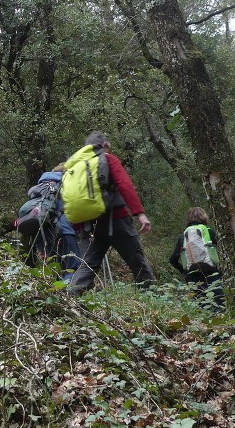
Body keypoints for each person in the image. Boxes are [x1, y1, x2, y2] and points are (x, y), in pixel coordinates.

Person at [66, 131, 155, 296]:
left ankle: (71, 297)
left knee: (87, 264)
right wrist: (140, 213)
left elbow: (71, 199)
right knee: (136, 260)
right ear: (104, 145)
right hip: (116, 218)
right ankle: (154, 298)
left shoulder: (74, 166)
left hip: (88, 225)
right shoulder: (107, 159)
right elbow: (124, 184)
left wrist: (78, 227)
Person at [25, 164, 83, 280]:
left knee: (55, 270)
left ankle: (59, 295)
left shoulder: (40, 187)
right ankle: (70, 295)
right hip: (64, 231)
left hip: (43, 235)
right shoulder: (65, 184)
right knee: (73, 267)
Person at [170, 207, 224, 310]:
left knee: (202, 309)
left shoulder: (183, 236)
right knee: (219, 306)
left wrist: (184, 271)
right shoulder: (209, 232)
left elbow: (173, 260)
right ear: (203, 217)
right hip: (212, 274)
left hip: (192, 277)